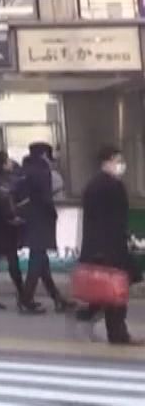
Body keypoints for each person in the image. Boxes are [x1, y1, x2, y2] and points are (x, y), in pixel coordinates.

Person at [75, 145, 137, 345]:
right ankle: (118, 333)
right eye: (119, 160)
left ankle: (113, 329)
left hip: (96, 247)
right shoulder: (114, 186)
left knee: (107, 292)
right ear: (109, 160)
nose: (121, 165)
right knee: (117, 292)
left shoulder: (92, 185)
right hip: (113, 247)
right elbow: (117, 220)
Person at [0, 149, 37, 313]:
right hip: (3, 226)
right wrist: (13, 218)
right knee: (12, 259)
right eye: (8, 161)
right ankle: (23, 295)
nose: (11, 163)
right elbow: (6, 203)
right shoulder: (1, 182)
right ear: (2, 164)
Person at [17, 142, 68, 312]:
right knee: (37, 260)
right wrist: (53, 214)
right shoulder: (42, 171)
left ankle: (57, 298)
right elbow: (46, 198)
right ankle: (26, 298)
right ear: (44, 155)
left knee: (41, 261)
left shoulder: (24, 169)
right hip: (41, 220)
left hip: (27, 218)